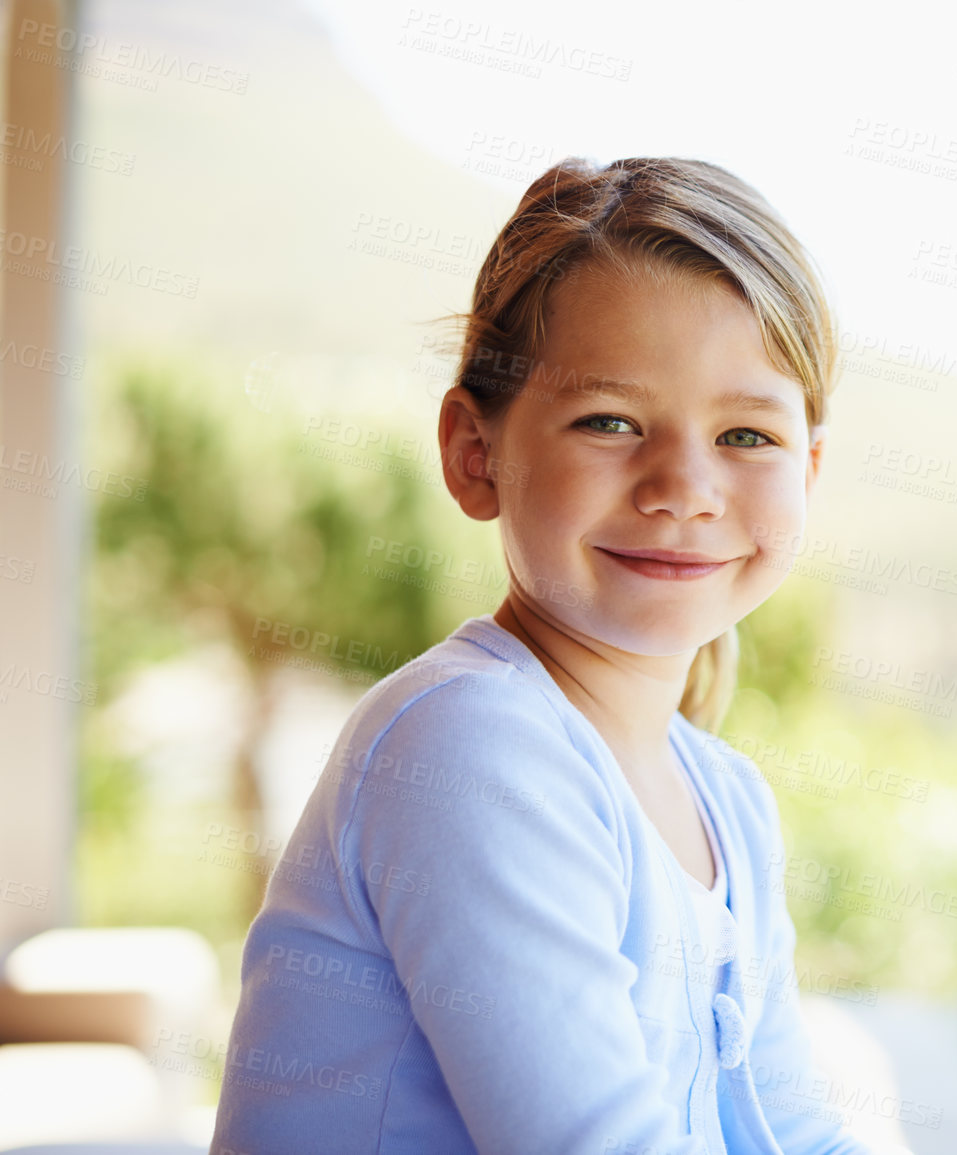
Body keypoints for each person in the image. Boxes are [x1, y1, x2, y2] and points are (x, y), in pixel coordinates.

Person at [210, 155, 882, 1154]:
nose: (683, 487)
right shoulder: (470, 745)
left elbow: (793, 1129)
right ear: (474, 452)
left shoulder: (729, 802)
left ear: (810, 470)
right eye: (610, 421)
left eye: (747, 435)